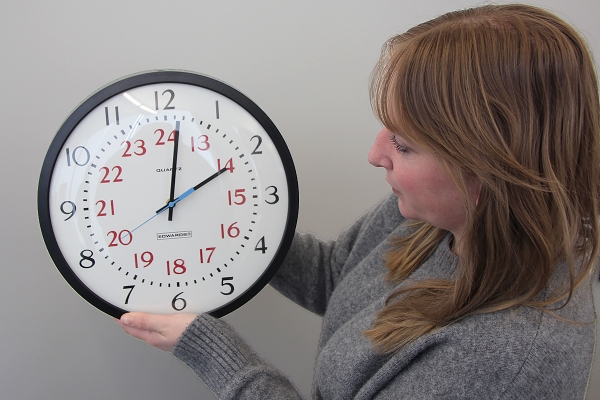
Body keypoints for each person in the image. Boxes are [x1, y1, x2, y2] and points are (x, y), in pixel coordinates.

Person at [117, 4, 600, 399]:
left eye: (404, 145)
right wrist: (234, 218)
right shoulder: (434, 217)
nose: (375, 155)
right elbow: (337, 276)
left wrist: (213, 353)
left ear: (491, 167)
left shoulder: (504, 361)